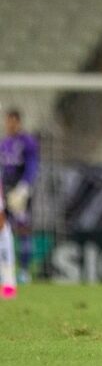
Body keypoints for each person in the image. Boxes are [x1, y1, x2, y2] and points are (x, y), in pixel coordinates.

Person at [1, 109, 39, 287]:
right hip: (4, 191)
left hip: (19, 192)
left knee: (23, 229)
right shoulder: (4, 143)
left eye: (12, 121)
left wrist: (24, 187)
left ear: (18, 122)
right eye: (8, 121)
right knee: (3, 230)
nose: (9, 124)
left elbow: (32, 165)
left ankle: (23, 272)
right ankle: (6, 273)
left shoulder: (27, 142)